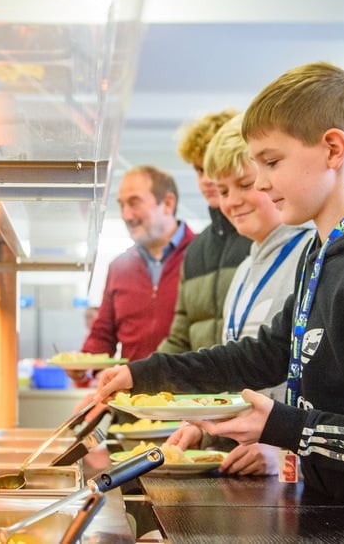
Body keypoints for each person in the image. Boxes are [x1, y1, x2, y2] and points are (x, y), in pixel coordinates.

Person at [89, 61, 344, 543]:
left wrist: (285, 427)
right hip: (339, 515)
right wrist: (145, 373)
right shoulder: (321, 250)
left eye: (271, 162)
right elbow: (266, 353)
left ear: (333, 149)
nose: (262, 182)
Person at [166, 113, 315, 476]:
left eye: (245, 184)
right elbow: (242, 370)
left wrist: (282, 452)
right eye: (222, 191)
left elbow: (317, 386)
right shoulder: (247, 267)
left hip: (296, 472)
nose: (231, 202)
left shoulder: (310, 254)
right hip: (247, 463)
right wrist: (204, 423)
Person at [70, 165, 195, 381]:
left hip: (192, 402)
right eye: (121, 205)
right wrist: (83, 366)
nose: (126, 215)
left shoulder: (203, 256)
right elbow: (103, 335)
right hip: (134, 400)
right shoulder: (119, 267)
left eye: (134, 203)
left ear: (167, 203)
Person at [156, 108, 251, 354]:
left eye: (214, 166)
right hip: (205, 392)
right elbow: (180, 339)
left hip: (254, 390)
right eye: (199, 170)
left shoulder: (264, 238)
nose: (207, 180)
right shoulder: (196, 250)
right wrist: (138, 376)